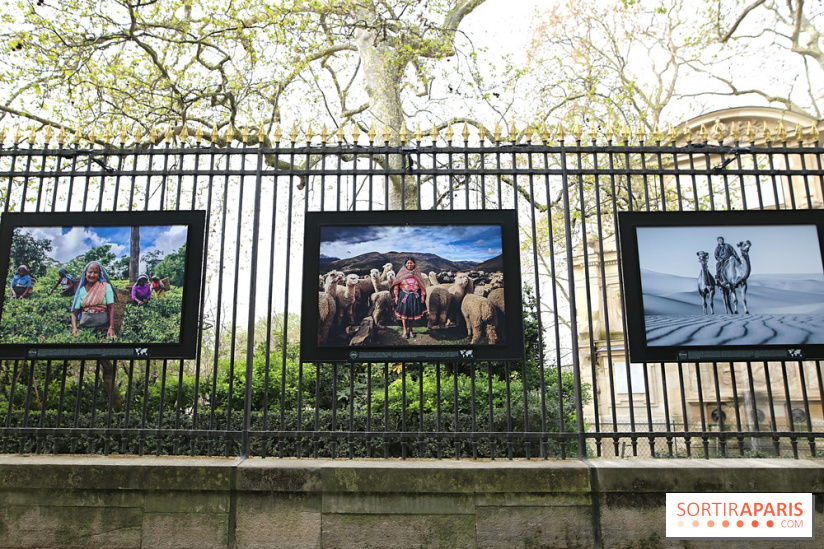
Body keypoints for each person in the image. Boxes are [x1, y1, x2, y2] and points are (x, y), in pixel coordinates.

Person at [71, 261, 116, 339]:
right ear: (85, 274)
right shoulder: (81, 291)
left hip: (103, 328)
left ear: (99, 275)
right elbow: (74, 313)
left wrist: (111, 328)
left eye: (95, 272)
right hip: (85, 328)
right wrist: (74, 328)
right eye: (90, 272)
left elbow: (111, 308)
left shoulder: (105, 287)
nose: (92, 275)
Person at [391, 257, 427, 339]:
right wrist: (396, 296)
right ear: (405, 264)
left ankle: (410, 330)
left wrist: (422, 296)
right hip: (404, 296)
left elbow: (422, 286)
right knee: (404, 314)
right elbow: (396, 285)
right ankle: (404, 331)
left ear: (414, 264)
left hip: (415, 296)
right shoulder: (401, 273)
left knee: (412, 314)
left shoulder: (417, 273)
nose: (409, 264)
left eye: (411, 263)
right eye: (408, 263)